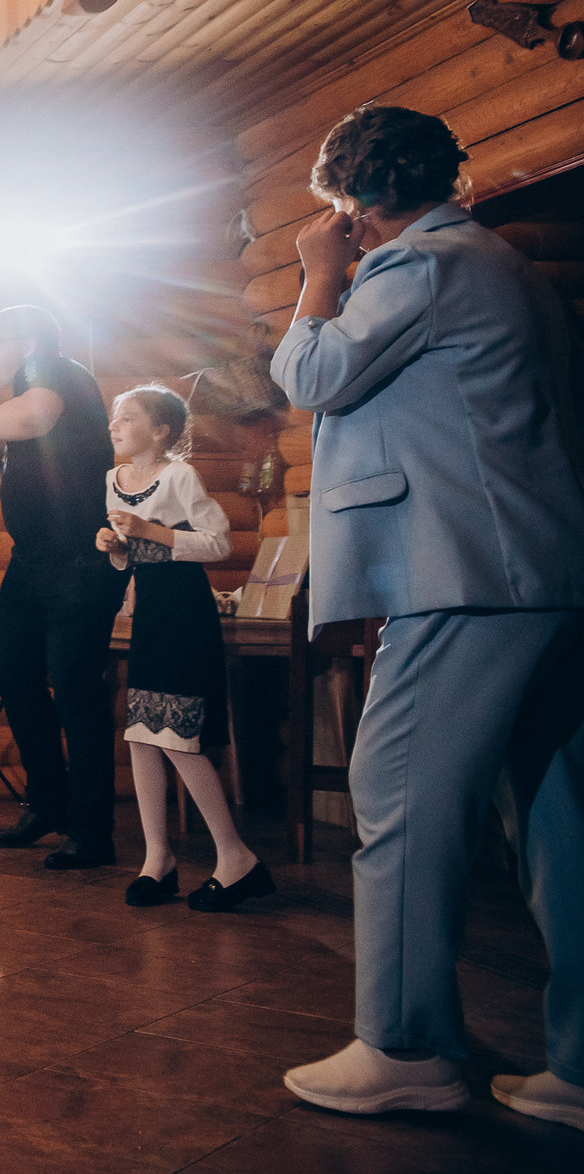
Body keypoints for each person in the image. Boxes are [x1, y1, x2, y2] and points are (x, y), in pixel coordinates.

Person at [269, 106, 584, 1127]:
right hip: (534, 571)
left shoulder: (420, 265)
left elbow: (314, 373)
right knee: (554, 816)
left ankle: (402, 1045)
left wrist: (318, 273)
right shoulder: (506, 264)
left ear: (353, 199)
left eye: (336, 209)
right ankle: (579, 1064)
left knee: (395, 789)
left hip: (461, 572)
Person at [0, 307, 130, 868]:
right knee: (13, 673)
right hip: (34, 562)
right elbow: (49, 482)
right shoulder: (37, 385)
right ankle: (50, 803)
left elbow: (37, 417)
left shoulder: (52, 370)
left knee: (74, 688)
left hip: (77, 563)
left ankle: (92, 832)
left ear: (26, 341)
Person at [98, 385, 266, 911]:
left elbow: (220, 542)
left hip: (186, 612)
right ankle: (158, 860)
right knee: (142, 736)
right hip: (148, 610)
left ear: (161, 431)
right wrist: (115, 548)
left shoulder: (179, 475)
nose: (116, 425)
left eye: (128, 417)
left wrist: (154, 531)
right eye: (115, 418)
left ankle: (236, 858)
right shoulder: (112, 480)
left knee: (177, 736)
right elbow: (128, 555)